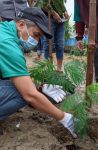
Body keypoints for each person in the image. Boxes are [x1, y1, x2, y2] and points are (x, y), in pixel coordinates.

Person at [0, 7, 77, 137]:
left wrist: (40, 87)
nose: (36, 42)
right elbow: (29, 95)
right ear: (21, 24)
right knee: (22, 94)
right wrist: (63, 117)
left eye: (39, 38)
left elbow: (13, 76)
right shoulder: (7, 44)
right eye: (36, 35)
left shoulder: (5, 30)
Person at [36, 0, 69, 71]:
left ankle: (59, 69)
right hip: (49, 19)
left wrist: (65, 11)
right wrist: (53, 13)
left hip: (61, 20)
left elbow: (60, 2)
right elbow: (42, 4)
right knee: (48, 44)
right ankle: (48, 69)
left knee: (60, 44)